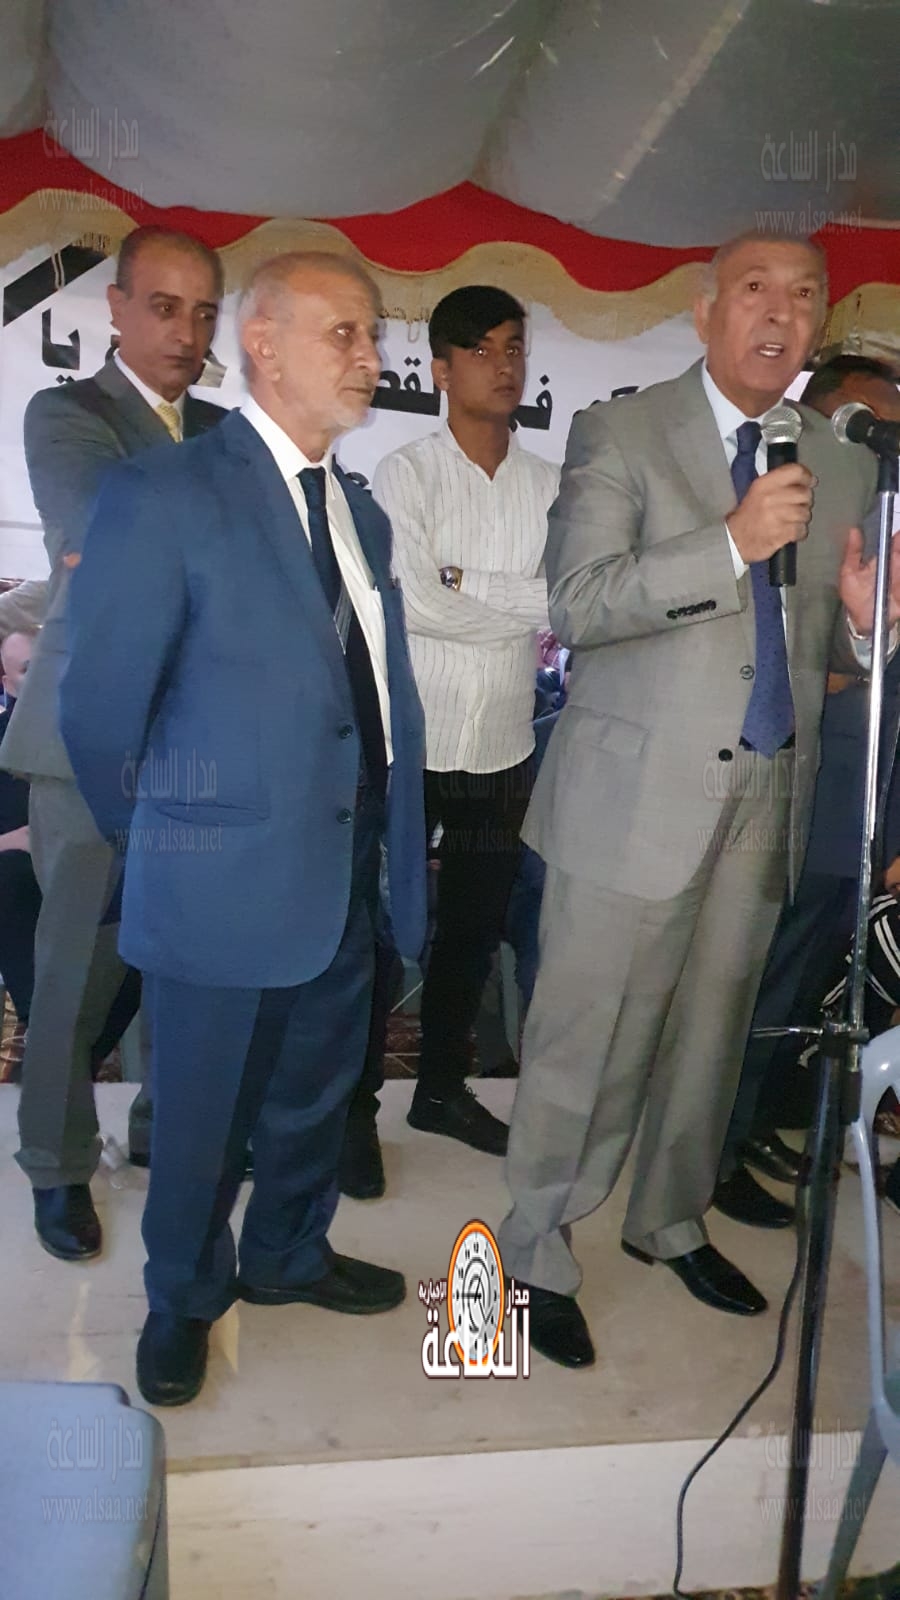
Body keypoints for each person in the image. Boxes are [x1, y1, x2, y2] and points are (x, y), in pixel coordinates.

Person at [497, 231, 894, 1371]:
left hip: (767, 792)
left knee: (712, 1036)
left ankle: (668, 1219)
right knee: (585, 1040)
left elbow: (819, 650)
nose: (781, 313)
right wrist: (727, 544)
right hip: (631, 798)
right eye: (756, 290)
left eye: (804, 295)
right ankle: (533, 1250)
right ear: (705, 308)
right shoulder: (620, 433)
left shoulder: (841, 461)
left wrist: (864, 625)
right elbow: (578, 604)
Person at [59, 251, 427, 1407]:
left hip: (344, 865)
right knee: (205, 1119)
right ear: (262, 345)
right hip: (219, 878)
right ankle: (182, 1295)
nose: (372, 358)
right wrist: (174, 848)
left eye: (374, 336)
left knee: (316, 1091)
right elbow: (100, 709)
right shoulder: (167, 493)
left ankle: (287, 1254)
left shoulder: (358, 511)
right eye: (346, 333)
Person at [0, 225, 225, 1262]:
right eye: (165, 307)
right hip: (88, 739)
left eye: (203, 313)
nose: (185, 332)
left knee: (185, 957)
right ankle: (54, 1162)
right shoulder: (68, 414)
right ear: (119, 309)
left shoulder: (225, 431)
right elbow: (99, 538)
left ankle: (161, 1131)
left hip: (200, 739)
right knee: (73, 971)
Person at [373, 286, 558, 1164]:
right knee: (379, 929)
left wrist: (462, 582)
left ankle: (441, 1091)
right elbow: (412, 602)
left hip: (503, 744)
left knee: (472, 934)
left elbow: (567, 601)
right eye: (481, 350)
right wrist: (513, 604)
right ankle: (349, 1110)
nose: (503, 364)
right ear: (441, 370)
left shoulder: (552, 487)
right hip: (412, 741)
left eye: (513, 346)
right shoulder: (404, 473)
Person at [715, 355, 900, 1228]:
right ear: (817, 425)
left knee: (802, 985)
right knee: (760, 980)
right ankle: (711, 1150)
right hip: (809, 793)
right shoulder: (793, 522)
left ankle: (752, 1121)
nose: (880, 444)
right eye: (865, 425)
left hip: (867, 800)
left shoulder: (878, 519)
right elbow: (784, 666)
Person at [0, 632, 41, 1076]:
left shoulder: (84, 734)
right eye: (29, 668)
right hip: (15, 870)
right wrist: (9, 841)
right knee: (10, 872)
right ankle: (38, 1022)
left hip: (82, 864)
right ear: (7, 681)